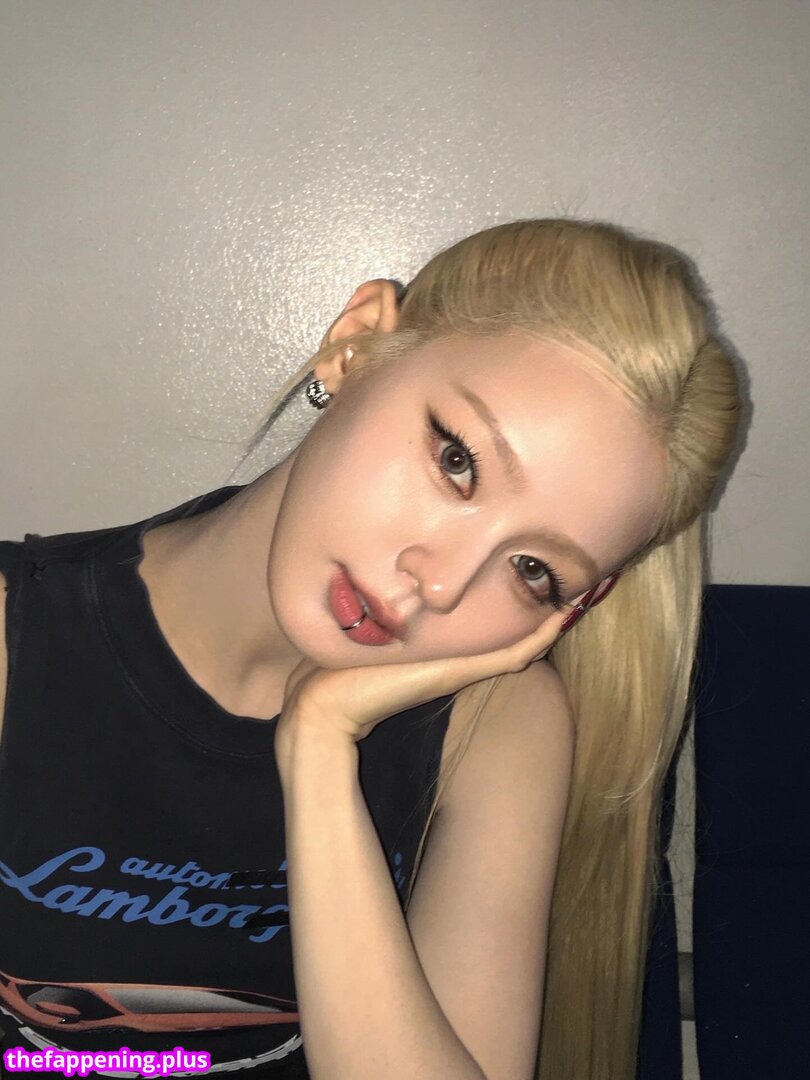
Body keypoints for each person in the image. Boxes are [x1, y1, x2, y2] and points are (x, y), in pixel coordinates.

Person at [0, 218, 741, 1080]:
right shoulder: (18, 635)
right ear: (355, 348)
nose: (440, 582)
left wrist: (318, 749)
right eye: (457, 460)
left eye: (533, 570)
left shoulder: (496, 725)